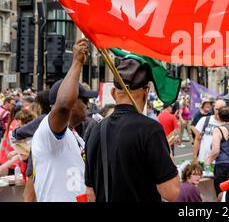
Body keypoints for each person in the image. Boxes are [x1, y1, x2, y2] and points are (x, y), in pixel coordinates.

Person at [84, 58, 179, 202]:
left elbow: (90, 194)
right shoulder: (150, 130)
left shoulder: (96, 130)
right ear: (146, 92)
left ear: (113, 92)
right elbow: (171, 192)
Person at [32, 38, 98, 202]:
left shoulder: (74, 135)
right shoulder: (50, 133)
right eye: (83, 99)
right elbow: (62, 106)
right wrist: (77, 62)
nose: (87, 104)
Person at [205, 106, 229, 195]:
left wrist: (207, 162)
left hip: (222, 166)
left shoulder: (218, 130)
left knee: (221, 193)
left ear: (218, 116)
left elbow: (215, 151)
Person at [192, 99, 226, 165]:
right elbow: (197, 139)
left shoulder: (227, 124)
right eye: (217, 109)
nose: (218, 112)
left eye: (221, 109)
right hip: (203, 160)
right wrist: (194, 157)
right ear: (213, 108)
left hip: (219, 163)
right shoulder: (204, 120)